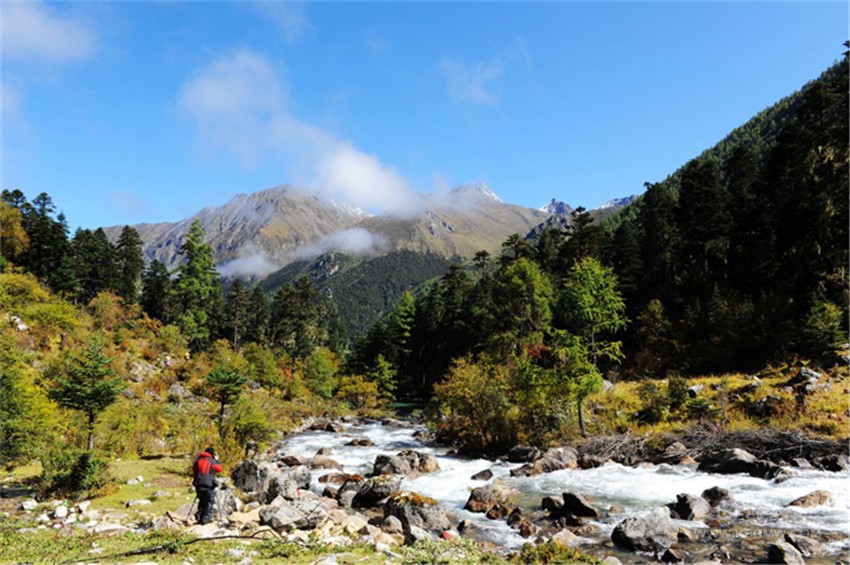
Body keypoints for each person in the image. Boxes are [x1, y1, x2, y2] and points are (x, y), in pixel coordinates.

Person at [192, 446, 223, 525]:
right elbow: (219, 469)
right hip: (209, 485)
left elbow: (194, 471)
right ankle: (206, 518)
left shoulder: (198, 461)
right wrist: (217, 460)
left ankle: (199, 518)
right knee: (209, 501)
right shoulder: (212, 461)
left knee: (202, 501)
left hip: (198, 484)